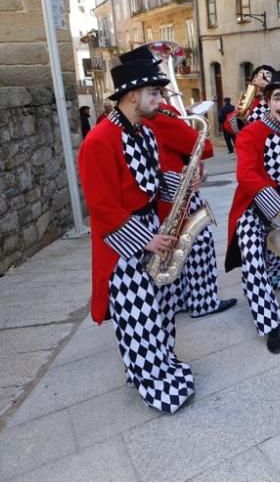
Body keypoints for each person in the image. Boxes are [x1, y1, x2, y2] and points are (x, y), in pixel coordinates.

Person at [78, 58, 193, 413]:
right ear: (131, 96)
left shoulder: (143, 131)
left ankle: (163, 365)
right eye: (154, 93)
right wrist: (146, 239)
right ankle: (153, 384)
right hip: (122, 245)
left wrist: (186, 183)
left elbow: (155, 183)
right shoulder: (99, 140)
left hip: (149, 231)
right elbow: (102, 207)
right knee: (137, 317)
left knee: (159, 310)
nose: (161, 99)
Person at [117, 45, 239, 319]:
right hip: (177, 190)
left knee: (181, 247)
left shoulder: (140, 117)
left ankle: (184, 298)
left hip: (167, 187)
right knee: (199, 243)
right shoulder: (159, 114)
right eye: (155, 84)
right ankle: (204, 301)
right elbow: (204, 147)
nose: (160, 93)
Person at [223, 71, 280, 354]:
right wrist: (275, 207)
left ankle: (273, 281)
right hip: (253, 206)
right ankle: (270, 324)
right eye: (277, 98)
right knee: (254, 264)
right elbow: (247, 175)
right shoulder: (252, 132)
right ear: (267, 101)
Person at [223, 65, 276, 136]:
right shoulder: (249, 101)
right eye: (257, 77)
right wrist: (238, 115)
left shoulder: (275, 101)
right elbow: (229, 126)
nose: (261, 80)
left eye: (267, 77)